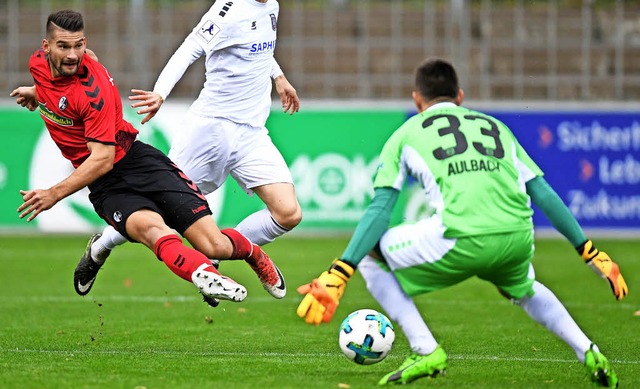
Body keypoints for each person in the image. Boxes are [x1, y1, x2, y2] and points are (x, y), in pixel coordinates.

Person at [296, 58, 628, 387]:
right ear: (461, 97)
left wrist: (340, 271)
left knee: (372, 257)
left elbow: (381, 208)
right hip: (517, 237)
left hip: (459, 236)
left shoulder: (407, 133)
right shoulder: (497, 127)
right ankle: (588, 350)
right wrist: (588, 250)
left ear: (417, 100)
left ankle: (425, 349)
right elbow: (543, 193)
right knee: (524, 289)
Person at [10, 9, 286, 306]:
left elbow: (102, 159)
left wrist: (53, 193)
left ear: (85, 43)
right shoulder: (38, 64)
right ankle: (201, 273)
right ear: (45, 47)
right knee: (152, 230)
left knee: (214, 244)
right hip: (109, 187)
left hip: (136, 162)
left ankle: (252, 253)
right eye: (64, 46)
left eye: (78, 46)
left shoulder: (93, 92)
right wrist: (36, 92)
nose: (73, 55)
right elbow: (58, 86)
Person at [74, 0, 301, 301]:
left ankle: (224, 252)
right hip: (208, 133)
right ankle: (102, 245)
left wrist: (279, 77)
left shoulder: (271, 5)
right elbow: (192, 46)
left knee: (288, 213)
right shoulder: (228, 9)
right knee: (158, 213)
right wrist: (160, 93)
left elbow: (260, 46)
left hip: (252, 134)